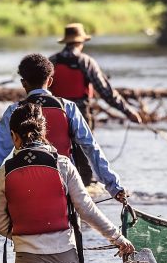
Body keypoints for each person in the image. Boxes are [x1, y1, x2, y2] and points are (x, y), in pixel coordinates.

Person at [0, 103, 135, 263]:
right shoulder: (63, 164)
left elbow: (1, 225)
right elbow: (87, 210)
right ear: (43, 132)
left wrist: (23, 236)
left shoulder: (5, 171)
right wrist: (118, 239)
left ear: (13, 135)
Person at [0, 53, 129, 206]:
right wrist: (114, 187)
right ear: (50, 81)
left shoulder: (14, 111)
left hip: (26, 186)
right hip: (64, 185)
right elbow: (91, 148)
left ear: (23, 83)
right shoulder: (68, 108)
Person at [49, 22, 143, 185]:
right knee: (85, 159)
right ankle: (85, 193)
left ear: (66, 42)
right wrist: (128, 112)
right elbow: (106, 92)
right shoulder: (86, 62)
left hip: (55, 115)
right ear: (81, 42)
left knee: (58, 156)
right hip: (80, 116)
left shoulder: (52, 61)